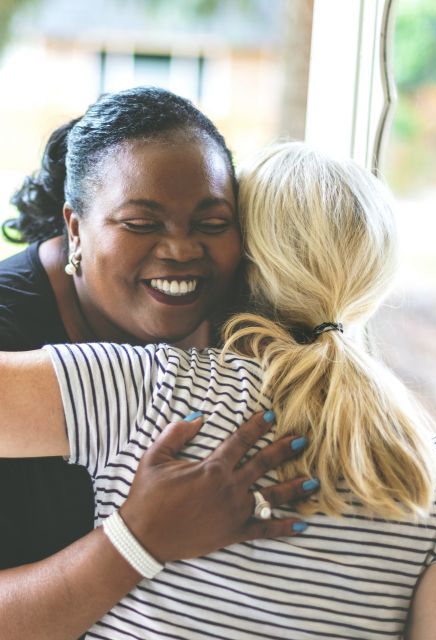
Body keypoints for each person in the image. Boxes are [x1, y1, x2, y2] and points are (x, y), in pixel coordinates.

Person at [0, 142, 436, 639]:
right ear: (376, 279)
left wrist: (131, 543)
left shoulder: (150, 388)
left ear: (243, 259)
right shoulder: (431, 469)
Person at [0, 88, 312, 640]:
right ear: (74, 227)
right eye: (142, 224)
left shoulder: (247, 323)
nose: (181, 250)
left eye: (212, 224)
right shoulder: (11, 345)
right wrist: (136, 541)